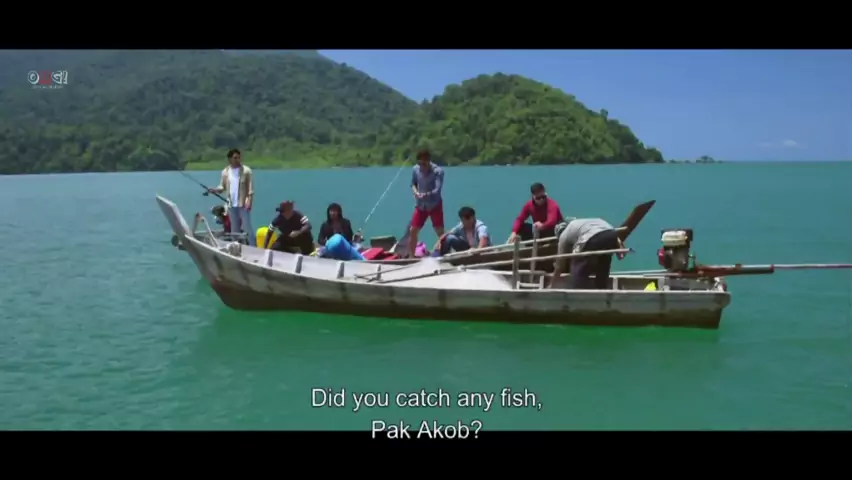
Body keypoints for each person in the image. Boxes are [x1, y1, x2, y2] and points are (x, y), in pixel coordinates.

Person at [548, 218, 624, 290]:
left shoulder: (564, 235)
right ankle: (601, 290)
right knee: (603, 266)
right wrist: (619, 245)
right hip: (611, 234)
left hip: (593, 236)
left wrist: (552, 284)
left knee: (577, 269)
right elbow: (607, 231)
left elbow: (560, 263)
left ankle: (581, 293)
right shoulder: (580, 224)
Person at [208, 148, 256, 246]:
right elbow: (222, 187)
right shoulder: (225, 172)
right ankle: (235, 247)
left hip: (243, 204)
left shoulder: (246, 171)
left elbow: (250, 189)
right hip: (231, 205)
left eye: (239, 157)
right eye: (235, 158)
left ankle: (253, 247)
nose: (237, 159)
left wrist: (249, 200)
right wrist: (214, 190)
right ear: (230, 159)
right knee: (234, 229)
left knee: (247, 227)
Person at [407, 149, 445, 258]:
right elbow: (413, 183)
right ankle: (411, 257)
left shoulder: (438, 171)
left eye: (424, 163)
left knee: (440, 232)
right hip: (421, 206)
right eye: (420, 163)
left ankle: (444, 253)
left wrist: (425, 195)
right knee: (413, 230)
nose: (422, 166)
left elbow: (437, 190)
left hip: (434, 205)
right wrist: (415, 192)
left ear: (429, 161)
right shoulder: (415, 169)